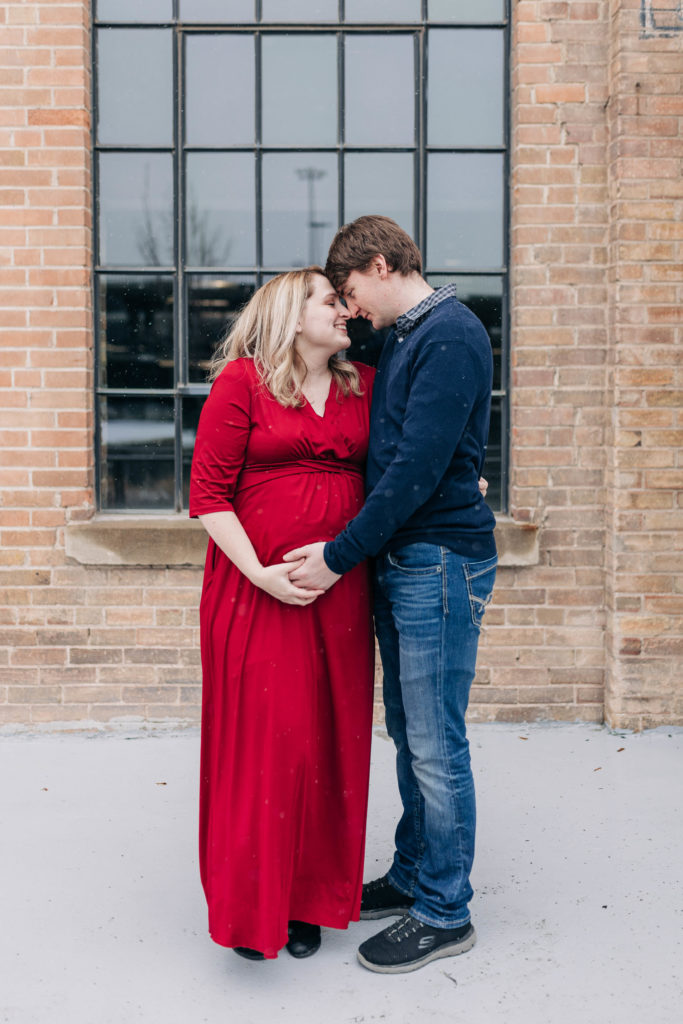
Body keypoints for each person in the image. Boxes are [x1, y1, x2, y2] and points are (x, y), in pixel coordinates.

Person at [284, 216, 498, 974]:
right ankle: (415, 874)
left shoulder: (449, 334)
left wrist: (339, 556)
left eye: (348, 293)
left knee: (435, 741)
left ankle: (445, 909)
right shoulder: (410, 334)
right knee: (413, 734)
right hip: (411, 562)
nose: (349, 311)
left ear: (379, 265)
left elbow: (413, 470)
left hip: (439, 562)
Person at [189, 267, 375, 961]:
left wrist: (461, 471)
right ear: (292, 315)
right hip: (253, 592)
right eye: (330, 301)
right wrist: (262, 576)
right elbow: (208, 496)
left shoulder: (366, 389)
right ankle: (250, 907)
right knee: (266, 748)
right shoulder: (242, 384)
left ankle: (304, 901)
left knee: (326, 745)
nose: (344, 313)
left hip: (341, 594)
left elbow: (404, 460)